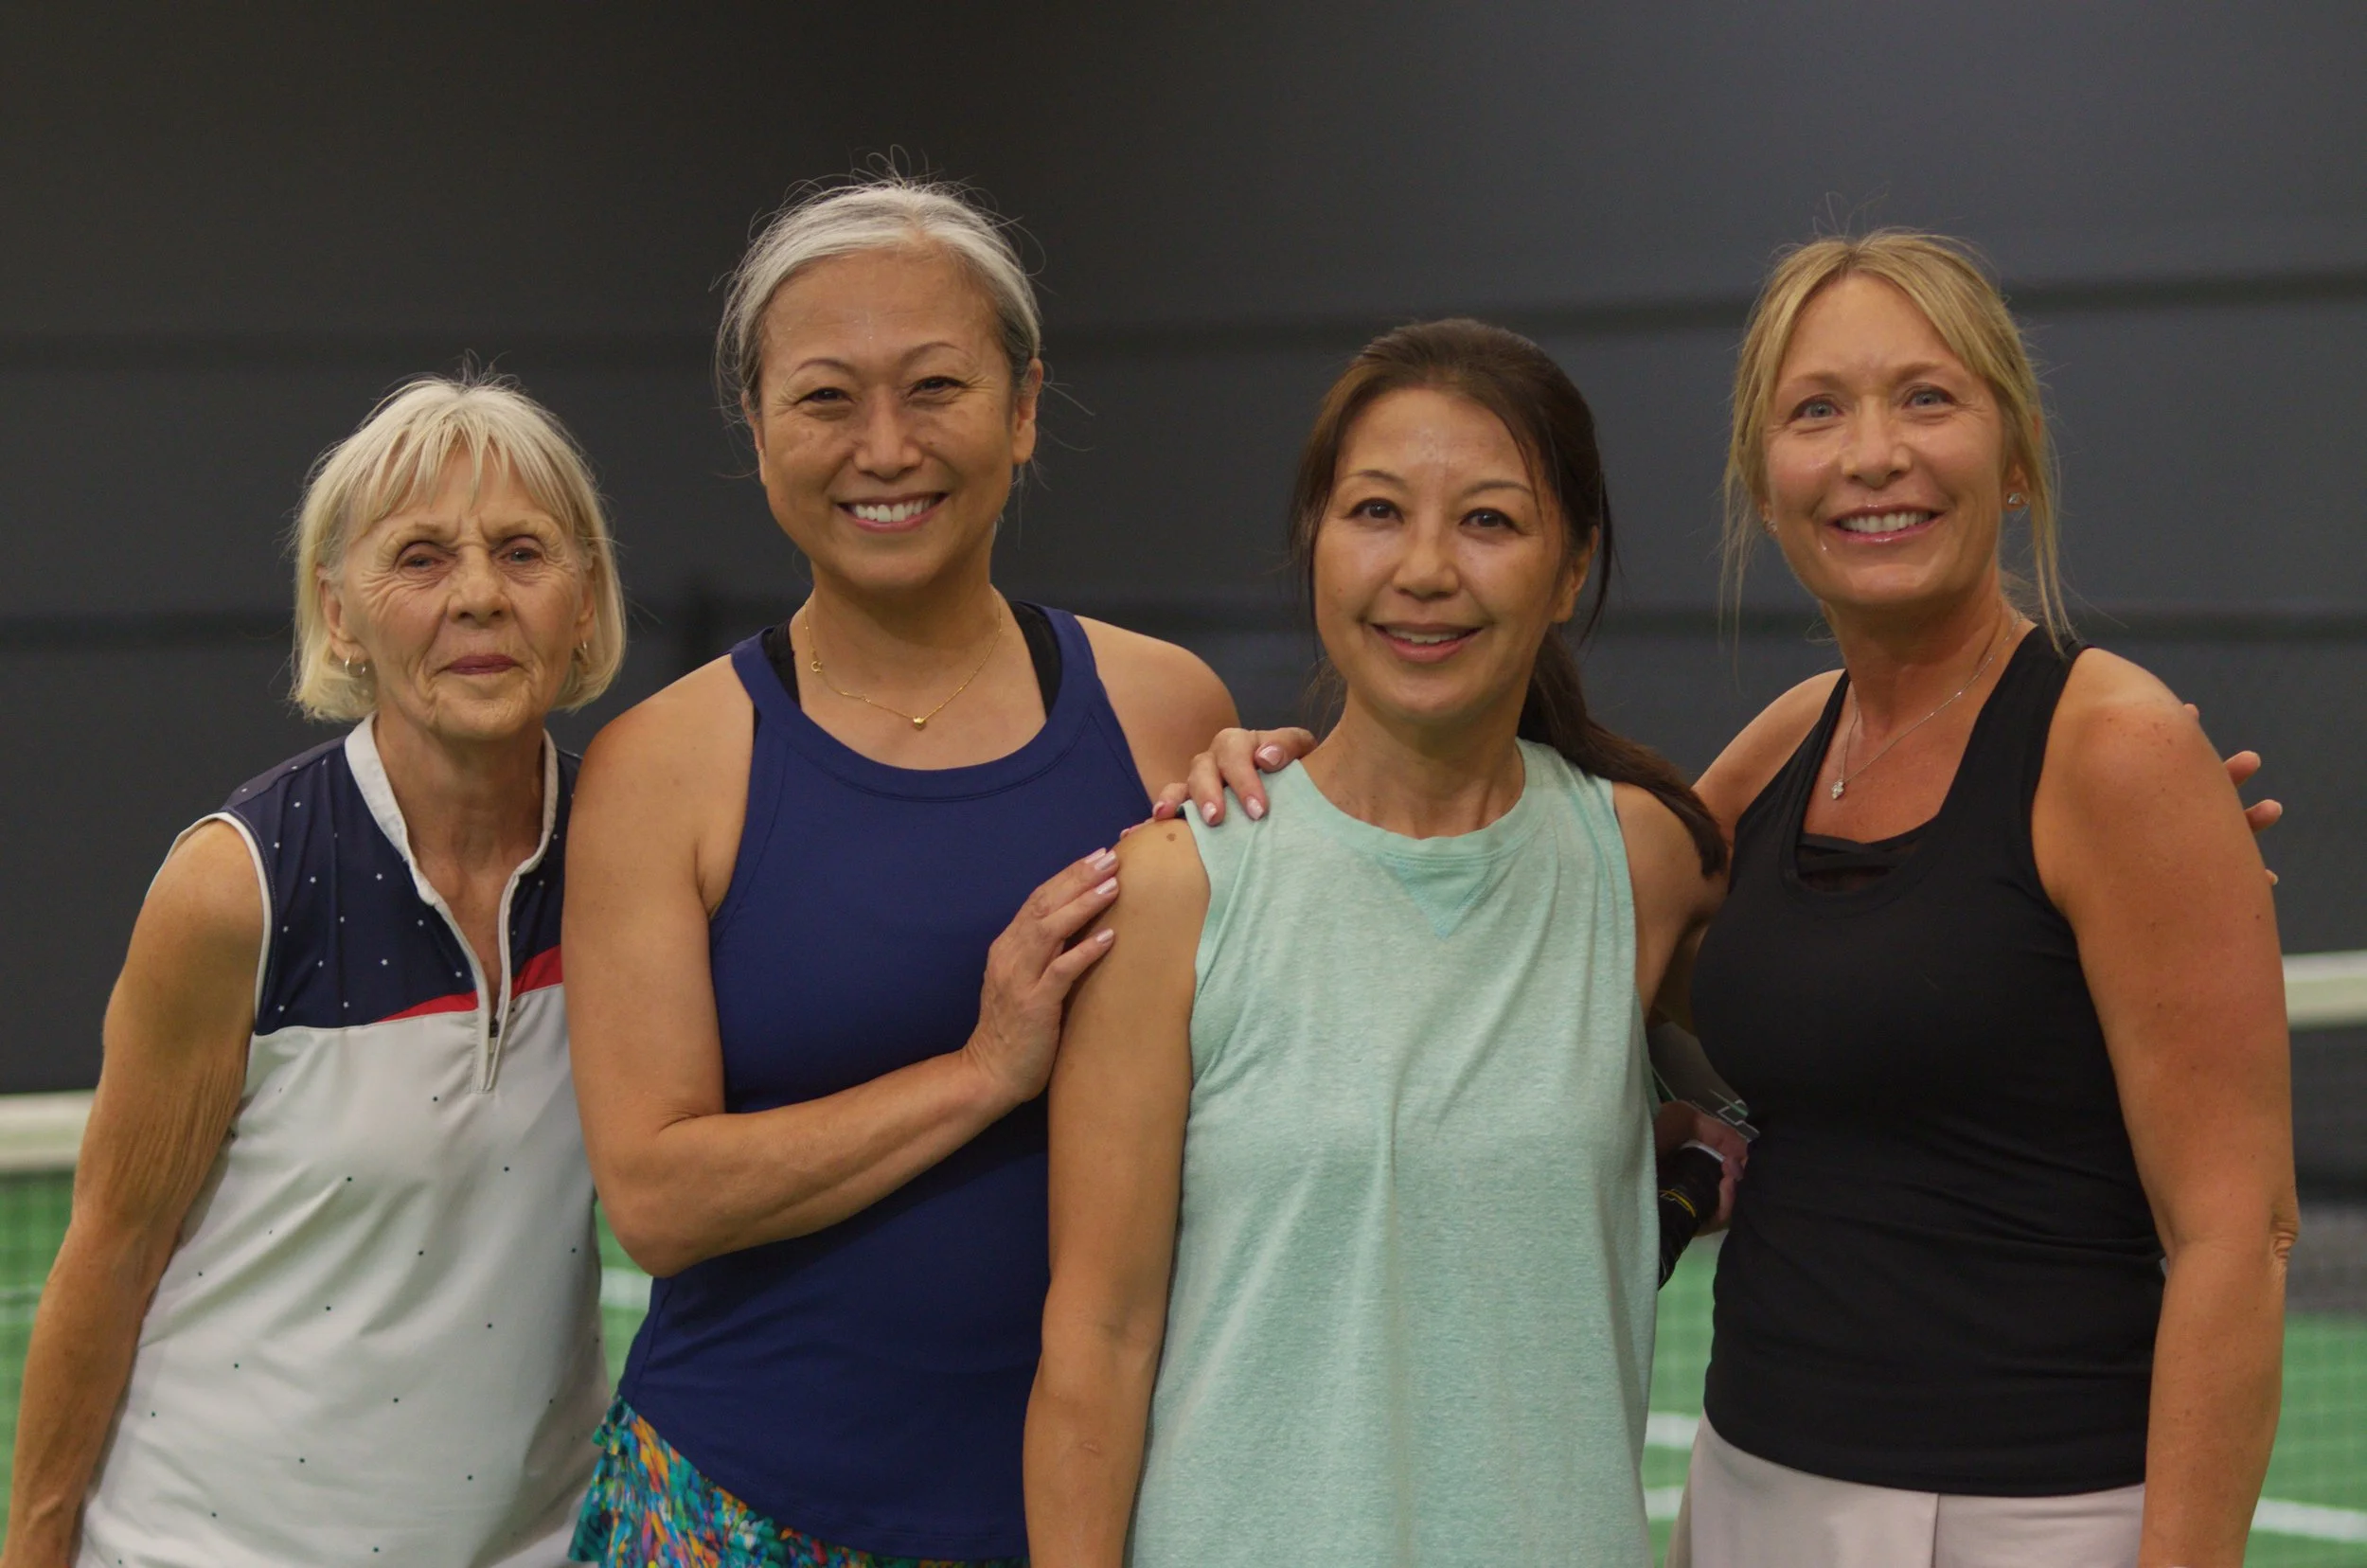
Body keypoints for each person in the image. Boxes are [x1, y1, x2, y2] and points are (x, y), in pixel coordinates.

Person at [1173, 233, 2293, 1568]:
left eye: (1926, 398)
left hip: (2033, 1516)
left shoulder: (2114, 746)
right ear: (1767, 484)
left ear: (2019, 457)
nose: (1871, 454)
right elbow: (1526, 898)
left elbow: (2239, 1235)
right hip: (1754, 1486)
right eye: (1817, 411)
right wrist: (1282, 778)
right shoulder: (1779, 753)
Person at [561, 176, 1237, 1567]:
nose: (885, 448)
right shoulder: (663, 768)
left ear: (1025, 406)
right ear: (756, 431)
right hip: (739, 1515)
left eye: (936, 387)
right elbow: (658, 1202)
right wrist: (986, 1070)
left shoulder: (1171, 712)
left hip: (1113, 1517)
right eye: (823, 398)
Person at [1023, 319, 1738, 1566]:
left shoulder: (1642, 863)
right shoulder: (1183, 884)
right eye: (1375, 512)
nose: (1423, 568)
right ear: (1315, 545)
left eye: (1490, 522)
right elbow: (1099, 1342)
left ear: (1572, 570)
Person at [0, 375, 629, 1567]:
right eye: (423, 559)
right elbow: (110, 1252)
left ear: (584, 596)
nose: (481, 596)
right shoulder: (234, 887)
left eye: (522, 551)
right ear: (339, 614)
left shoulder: (638, 858)